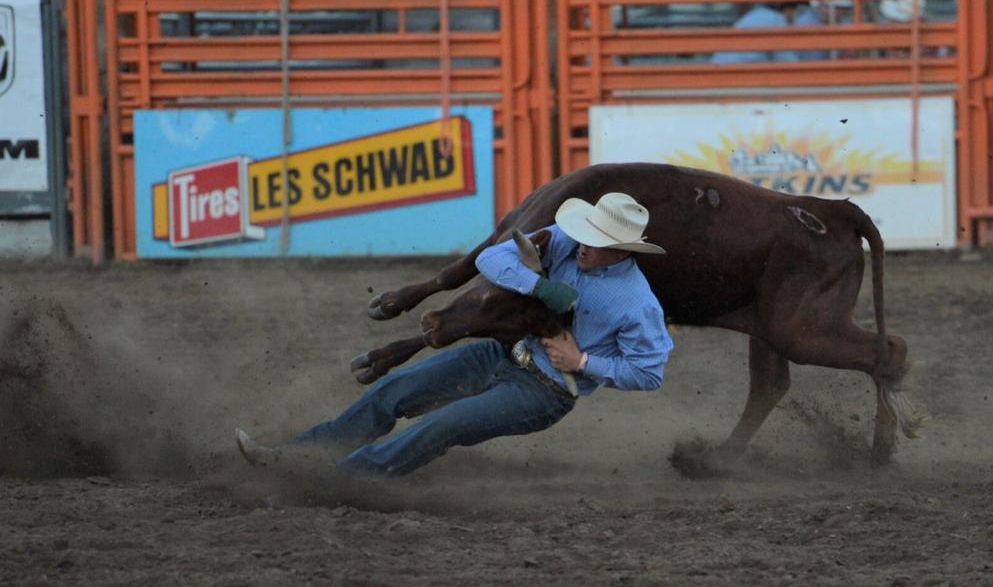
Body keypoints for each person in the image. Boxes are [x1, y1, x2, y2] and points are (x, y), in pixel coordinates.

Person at [235, 192, 674, 477]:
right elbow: (492, 260)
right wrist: (540, 287)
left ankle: (334, 480)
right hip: (501, 353)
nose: (582, 244)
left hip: (546, 391)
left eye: (595, 241)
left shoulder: (637, 305)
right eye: (584, 234)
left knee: (439, 426)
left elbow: (648, 372)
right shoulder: (565, 239)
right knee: (394, 390)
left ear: (622, 251)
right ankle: (296, 458)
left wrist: (581, 362)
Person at [711, 1, 827, 64]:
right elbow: (788, 62)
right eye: (798, 11)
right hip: (736, 78)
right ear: (789, 10)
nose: (798, 17)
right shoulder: (777, 21)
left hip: (723, 72)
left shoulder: (758, 14)